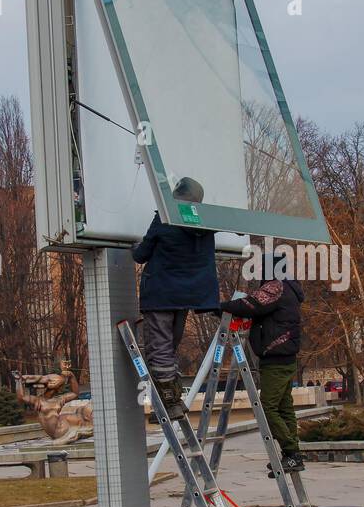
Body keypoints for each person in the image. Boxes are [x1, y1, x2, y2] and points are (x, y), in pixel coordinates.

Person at [131, 178, 219, 419]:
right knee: (169, 347)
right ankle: (174, 399)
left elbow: (141, 255)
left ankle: (170, 401)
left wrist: (133, 247)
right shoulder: (203, 223)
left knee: (159, 349)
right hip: (187, 296)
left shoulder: (165, 217)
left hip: (160, 295)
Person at [220, 255, 305, 475]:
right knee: (284, 407)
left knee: (267, 407)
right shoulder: (289, 288)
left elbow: (251, 304)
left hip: (275, 358)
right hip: (285, 357)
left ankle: (291, 452)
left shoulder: (276, 287)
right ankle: (292, 454)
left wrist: (219, 307)